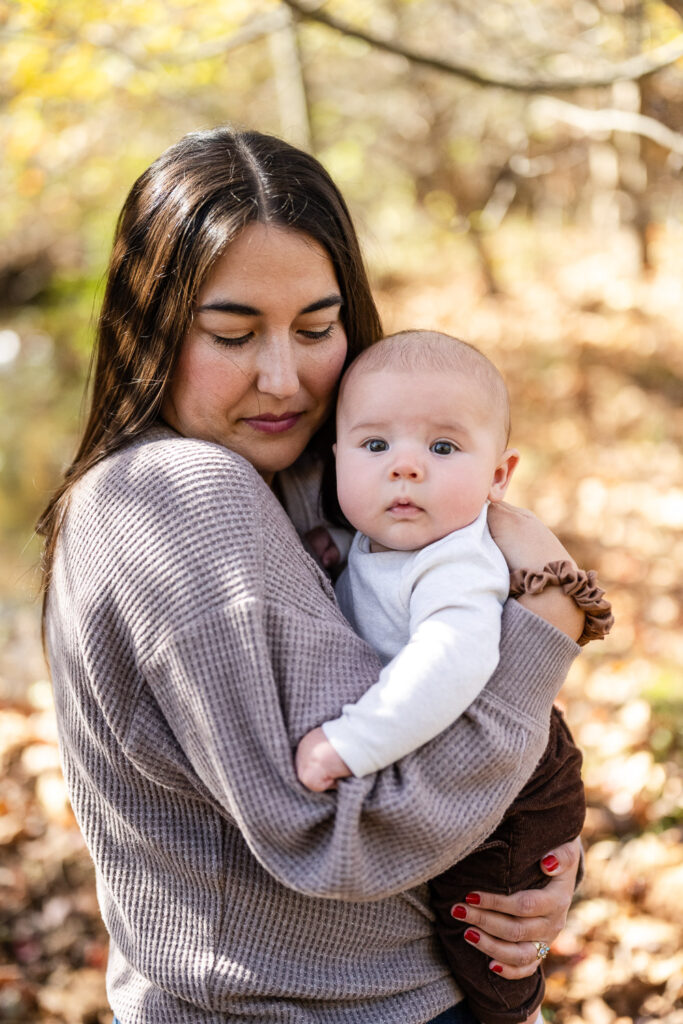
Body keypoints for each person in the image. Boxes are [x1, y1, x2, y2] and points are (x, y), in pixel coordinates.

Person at [38, 126, 598, 1024]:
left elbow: (443, 720)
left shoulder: (318, 473)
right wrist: (547, 627)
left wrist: (533, 851)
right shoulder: (177, 492)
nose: (281, 377)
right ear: (149, 327)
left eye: (316, 328)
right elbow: (345, 833)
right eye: (230, 332)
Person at [295, 330, 612, 1024]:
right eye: (375, 447)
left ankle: (513, 1012)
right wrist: (332, 550)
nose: (405, 468)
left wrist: (352, 742)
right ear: (336, 459)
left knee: (487, 927)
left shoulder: (456, 562)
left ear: (499, 477)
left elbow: (449, 660)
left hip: (518, 784)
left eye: (442, 449)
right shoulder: (378, 542)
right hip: (480, 740)